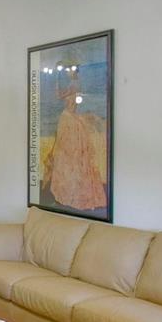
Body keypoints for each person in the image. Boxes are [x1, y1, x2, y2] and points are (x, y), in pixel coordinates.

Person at [43, 64, 107, 211]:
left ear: (75, 71)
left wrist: (56, 82)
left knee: (69, 156)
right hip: (69, 119)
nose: (69, 72)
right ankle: (67, 192)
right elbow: (63, 97)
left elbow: (60, 96)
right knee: (68, 156)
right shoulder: (76, 84)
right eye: (68, 71)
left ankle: (69, 192)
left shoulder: (74, 84)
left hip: (69, 119)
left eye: (70, 70)